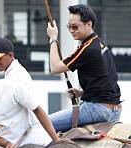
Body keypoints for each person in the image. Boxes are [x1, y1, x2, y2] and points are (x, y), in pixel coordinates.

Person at [46, 4, 121, 132]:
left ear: (89, 24)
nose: (71, 30)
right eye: (68, 27)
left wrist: (53, 39)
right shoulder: (100, 43)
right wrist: (81, 92)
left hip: (97, 110)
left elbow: (54, 68)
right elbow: (105, 81)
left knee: (42, 125)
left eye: (75, 27)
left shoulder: (87, 48)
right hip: (115, 110)